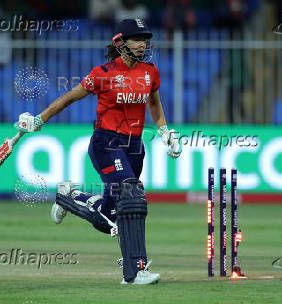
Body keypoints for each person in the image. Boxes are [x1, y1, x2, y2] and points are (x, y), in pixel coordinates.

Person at [14, 19, 182, 285]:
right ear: (121, 43)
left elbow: (155, 104)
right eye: (136, 39)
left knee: (111, 217)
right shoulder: (103, 73)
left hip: (135, 147)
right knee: (131, 194)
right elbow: (70, 96)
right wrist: (39, 119)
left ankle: (69, 197)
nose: (142, 44)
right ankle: (134, 272)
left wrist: (165, 132)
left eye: (145, 39)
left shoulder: (150, 71)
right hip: (107, 143)